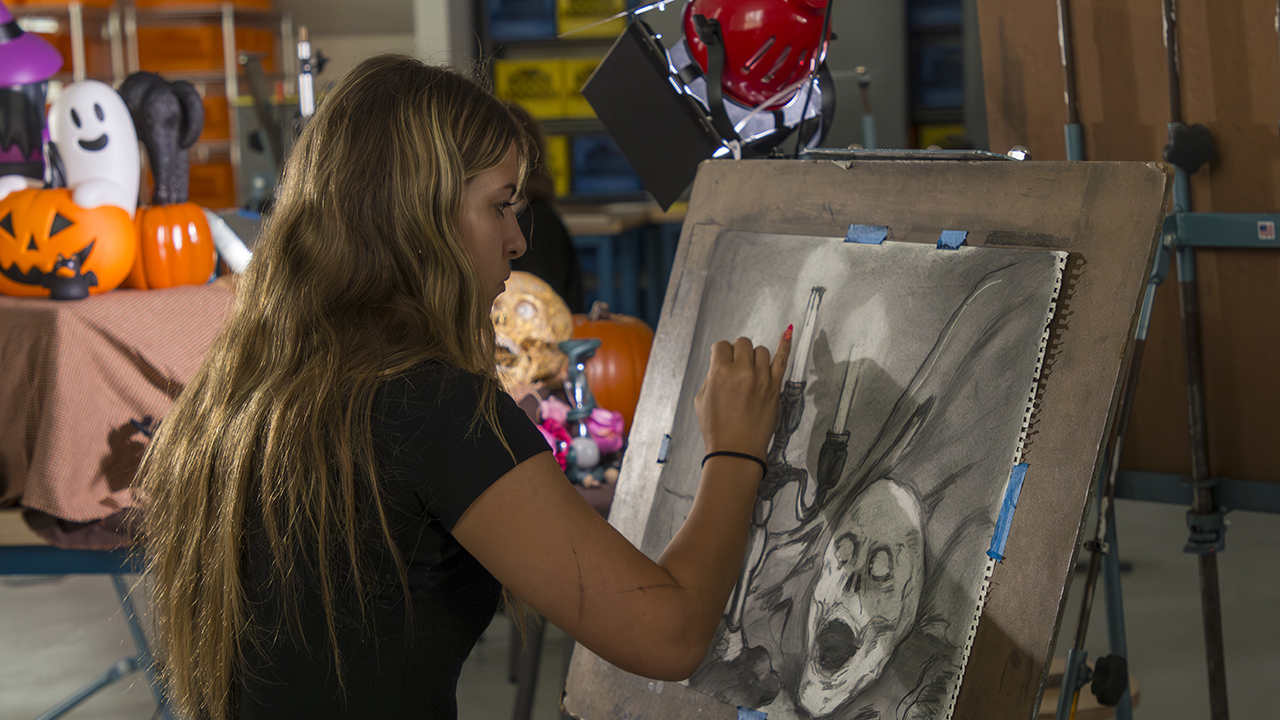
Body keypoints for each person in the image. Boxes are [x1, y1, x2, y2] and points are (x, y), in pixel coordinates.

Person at [136, 53, 792, 720]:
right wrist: (735, 450)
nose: (515, 239)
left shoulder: (250, 385)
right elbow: (670, 632)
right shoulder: (431, 406)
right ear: (419, 215)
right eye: (499, 206)